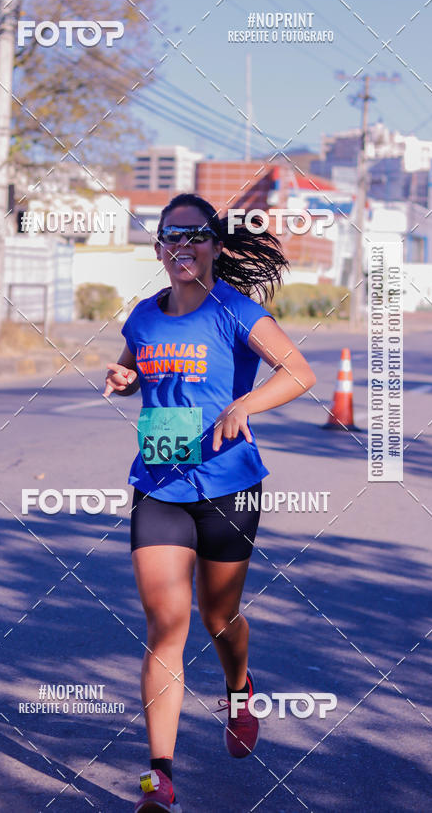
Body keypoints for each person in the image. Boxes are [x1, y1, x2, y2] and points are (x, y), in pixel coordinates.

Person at [103, 193, 317, 812]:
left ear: (216, 247)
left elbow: (299, 371)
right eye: (172, 236)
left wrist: (243, 405)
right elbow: (133, 370)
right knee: (164, 627)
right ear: (158, 249)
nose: (183, 246)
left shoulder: (234, 311)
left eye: (196, 236)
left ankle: (239, 686)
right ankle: (159, 778)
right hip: (159, 485)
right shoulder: (143, 317)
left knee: (217, 618)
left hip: (228, 484)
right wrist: (125, 379)